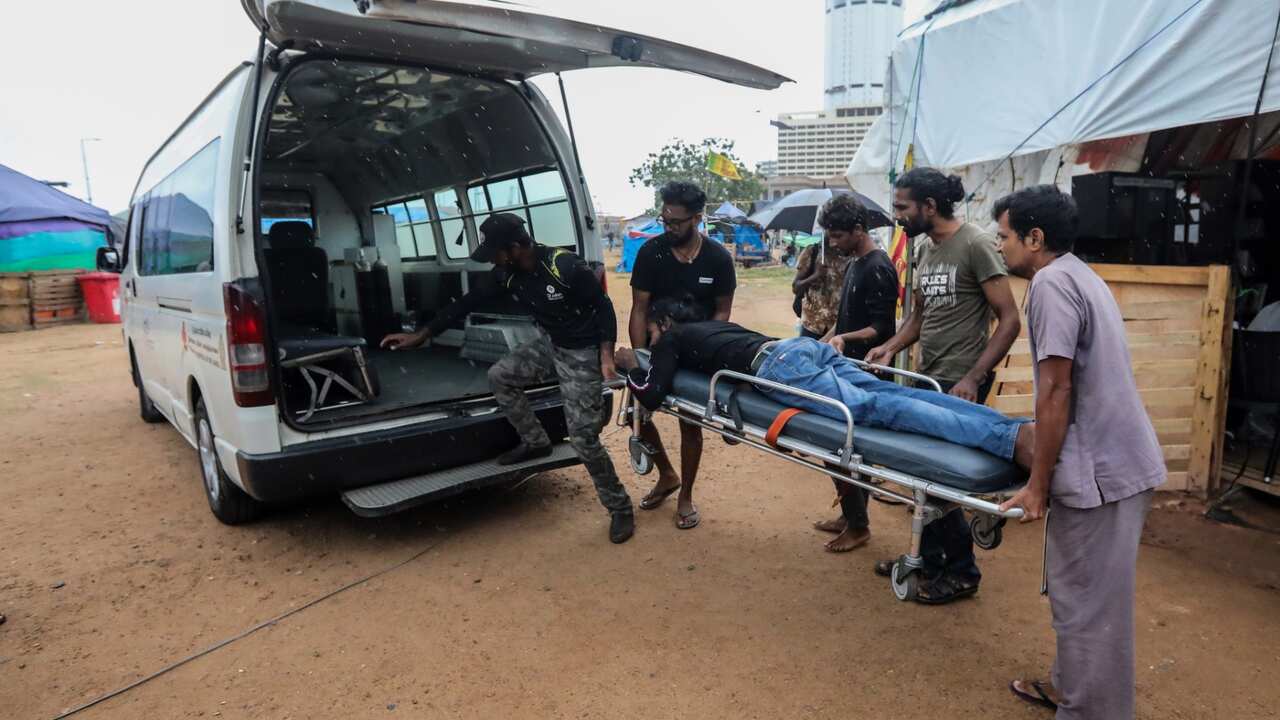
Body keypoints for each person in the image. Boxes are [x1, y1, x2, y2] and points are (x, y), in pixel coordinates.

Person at [994, 185, 1164, 720]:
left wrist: (1037, 485)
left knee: (1087, 606)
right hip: (1118, 460)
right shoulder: (1080, 274)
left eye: (1004, 236)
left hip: (1101, 473)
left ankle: (1089, 709)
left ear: (1034, 238)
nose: (999, 246)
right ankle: (1070, 686)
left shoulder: (1050, 284)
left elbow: (1056, 389)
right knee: (1084, 594)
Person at [381, 213, 635, 544]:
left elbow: (603, 307)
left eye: (495, 253)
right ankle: (536, 442)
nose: (492, 260)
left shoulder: (564, 266)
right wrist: (423, 334)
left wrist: (605, 357)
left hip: (582, 352)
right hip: (551, 344)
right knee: (501, 376)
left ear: (515, 247)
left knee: (583, 439)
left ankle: (620, 507)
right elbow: (468, 302)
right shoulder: (507, 273)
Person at [614, 297, 1034, 468]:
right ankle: (1012, 428)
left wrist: (632, 366)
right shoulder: (711, 327)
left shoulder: (671, 339)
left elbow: (652, 393)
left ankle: (1006, 439)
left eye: (651, 330)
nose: (650, 337)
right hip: (800, 348)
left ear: (664, 322)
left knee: (878, 410)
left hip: (781, 366)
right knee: (893, 393)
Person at [863, 167, 1023, 603]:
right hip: (927, 377)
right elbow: (919, 316)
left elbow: (1009, 320)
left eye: (902, 207)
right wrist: (889, 348)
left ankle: (963, 572)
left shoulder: (974, 244)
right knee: (921, 474)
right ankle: (928, 559)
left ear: (929, 206)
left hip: (960, 381)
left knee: (938, 479)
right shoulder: (924, 249)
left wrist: (974, 377)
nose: (897, 215)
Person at [629, 181, 736, 530]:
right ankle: (666, 475)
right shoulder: (651, 253)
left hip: (696, 352)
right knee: (639, 415)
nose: (669, 227)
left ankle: (685, 494)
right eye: (665, 220)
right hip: (655, 347)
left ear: (697, 219)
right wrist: (639, 356)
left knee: (690, 424)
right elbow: (639, 308)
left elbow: (722, 313)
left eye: (676, 222)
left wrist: (703, 349)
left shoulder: (718, 258)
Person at [810, 194, 900, 553]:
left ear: (859, 230)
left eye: (838, 235)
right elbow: (844, 319)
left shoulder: (878, 267)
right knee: (836, 446)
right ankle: (850, 515)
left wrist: (844, 339)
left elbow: (882, 328)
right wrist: (822, 342)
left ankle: (859, 526)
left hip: (867, 374)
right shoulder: (855, 263)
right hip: (845, 368)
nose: (833, 243)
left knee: (848, 448)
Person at [792, 235, 850, 340]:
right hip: (812, 324)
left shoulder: (850, 255)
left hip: (838, 327)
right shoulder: (812, 252)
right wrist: (815, 276)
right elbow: (796, 287)